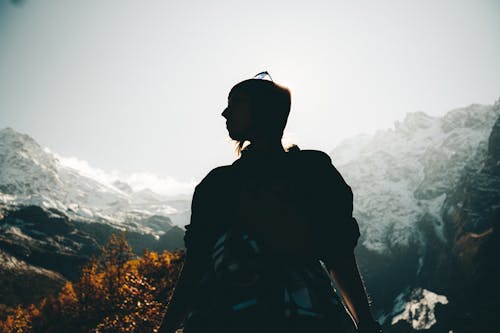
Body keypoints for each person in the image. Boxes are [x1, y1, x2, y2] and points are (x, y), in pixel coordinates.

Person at [159, 73, 382, 333]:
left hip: (226, 317)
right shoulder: (314, 171)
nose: (224, 113)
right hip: (311, 315)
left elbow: (196, 270)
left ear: (262, 110)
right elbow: (338, 256)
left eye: (235, 102)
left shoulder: (220, 185)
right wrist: (365, 322)